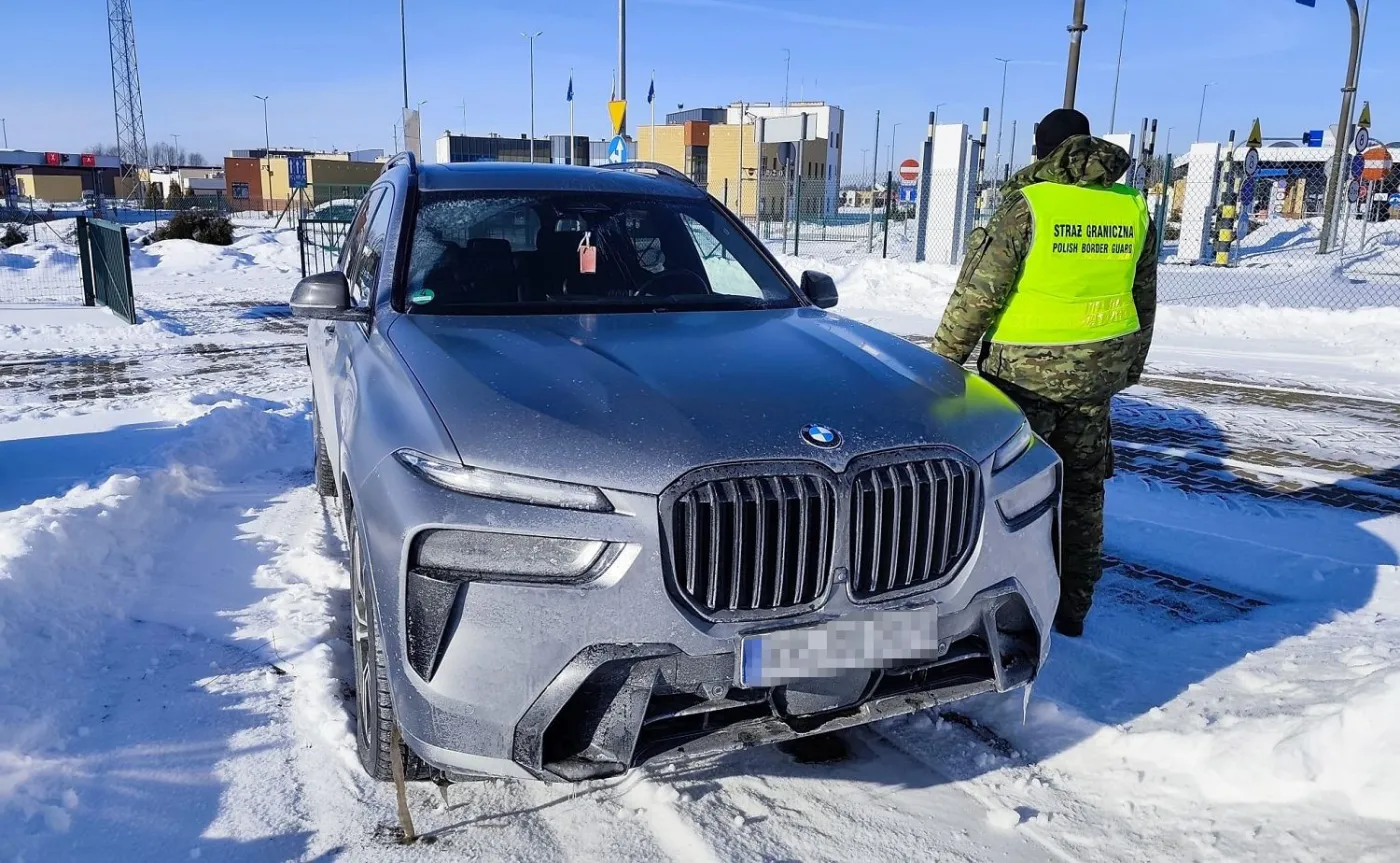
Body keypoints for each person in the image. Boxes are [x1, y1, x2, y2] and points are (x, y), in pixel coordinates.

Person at [931, 108, 1158, 637]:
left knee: (1013, 497)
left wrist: (941, 368)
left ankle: (1008, 614)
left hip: (1023, 378)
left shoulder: (1029, 205)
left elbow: (978, 296)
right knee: (1083, 492)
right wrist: (1129, 366)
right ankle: (1074, 609)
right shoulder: (1131, 206)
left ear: (1045, 148)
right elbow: (1143, 296)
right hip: (1096, 377)